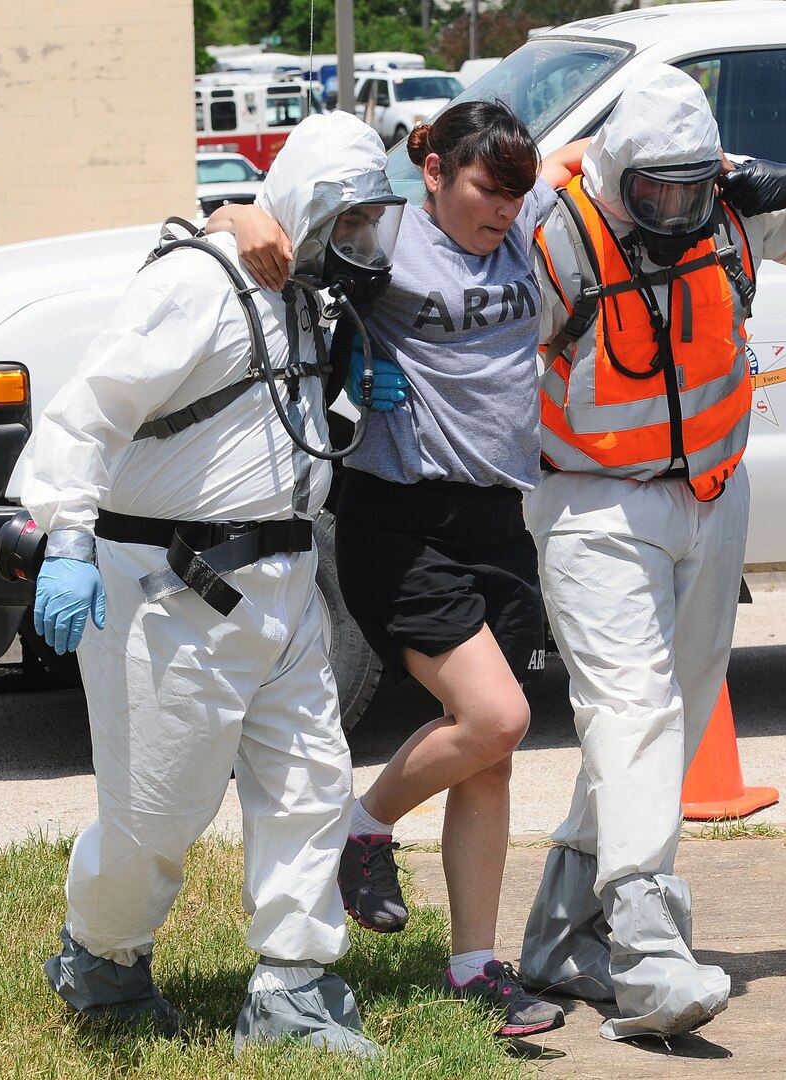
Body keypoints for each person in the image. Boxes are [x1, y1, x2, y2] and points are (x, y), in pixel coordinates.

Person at [14, 111, 403, 1056]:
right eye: (344, 222)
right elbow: (88, 409)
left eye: (369, 224)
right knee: (156, 816)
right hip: (168, 594)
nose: (358, 245)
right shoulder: (202, 281)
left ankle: (294, 991)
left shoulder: (306, 297)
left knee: (312, 787)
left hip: (284, 587)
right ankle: (100, 960)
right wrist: (65, 536)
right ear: (304, 205)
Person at [213, 100, 581, 1039]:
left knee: (488, 756)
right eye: (483, 191)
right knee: (497, 716)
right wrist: (239, 213)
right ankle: (362, 825)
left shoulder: (526, 220)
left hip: (498, 521)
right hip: (401, 520)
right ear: (431, 173)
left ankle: (473, 967)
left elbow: (591, 155)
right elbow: (247, 228)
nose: (502, 210)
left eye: (513, 194)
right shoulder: (386, 237)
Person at [519, 64, 786, 1041]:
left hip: (714, 491)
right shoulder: (559, 241)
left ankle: (556, 937)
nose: (673, 211)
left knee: (672, 713)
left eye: (689, 189)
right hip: (594, 503)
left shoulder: (724, 210)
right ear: (619, 172)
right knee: (632, 708)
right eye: (654, 193)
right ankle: (649, 948)